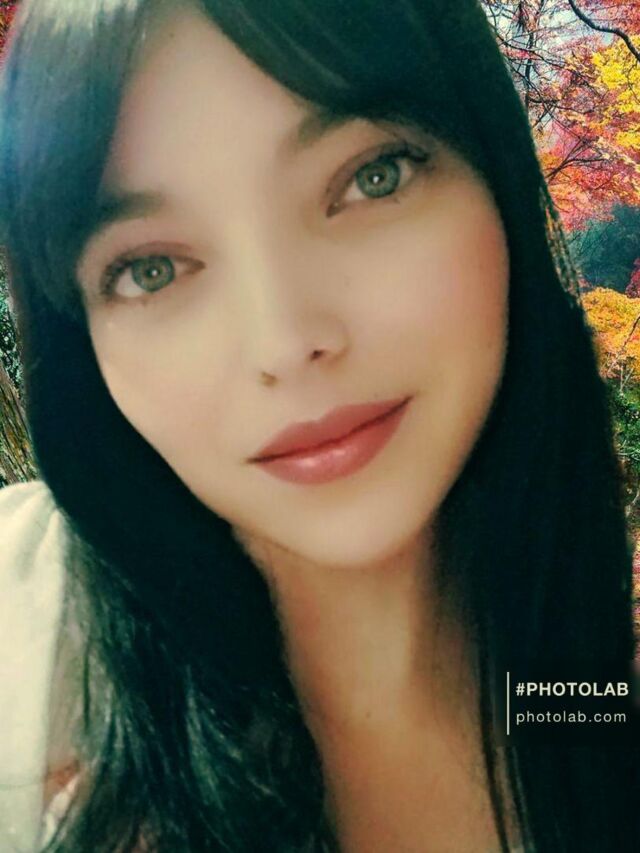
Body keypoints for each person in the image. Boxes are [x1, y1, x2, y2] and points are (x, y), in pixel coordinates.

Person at [0, 0, 637, 850]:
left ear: (495, 178)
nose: (285, 341)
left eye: (372, 177)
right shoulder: (24, 651)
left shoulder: (581, 695)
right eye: (151, 268)